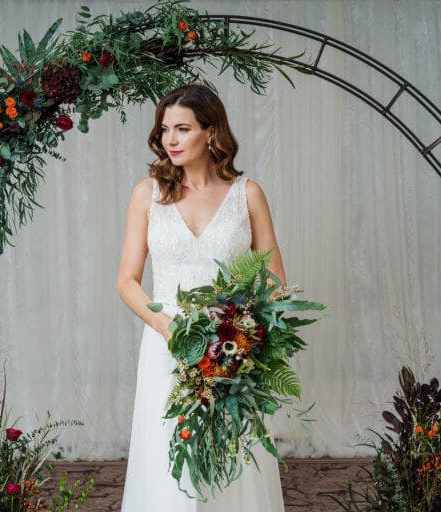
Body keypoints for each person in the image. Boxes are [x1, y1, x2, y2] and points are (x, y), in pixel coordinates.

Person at [116, 83, 286, 511]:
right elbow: (127, 281)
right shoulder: (147, 194)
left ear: (211, 132)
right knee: (167, 454)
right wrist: (168, 329)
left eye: (183, 129)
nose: (170, 139)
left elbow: (273, 282)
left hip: (230, 345)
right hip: (166, 342)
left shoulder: (248, 194)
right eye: (165, 129)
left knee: (232, 454)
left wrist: (238, 336)